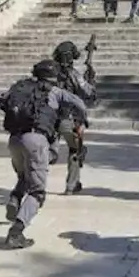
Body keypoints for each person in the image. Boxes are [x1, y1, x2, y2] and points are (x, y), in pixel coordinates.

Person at [0, 60, 89, 249]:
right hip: (36, 141)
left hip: (14, 141)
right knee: (37, 192)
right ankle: (15, 233)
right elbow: (79, 104)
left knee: (24, 176)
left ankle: (15, 198)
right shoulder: (56, 92)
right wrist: (82, 122)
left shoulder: (18, 89)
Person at [52, 41, 97, 195]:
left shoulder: (49, 73)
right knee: (75, 150)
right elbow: (89, 93)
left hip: (48, 119)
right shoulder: (74, 75)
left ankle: (51, 153)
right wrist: (91, 79)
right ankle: (71, 186)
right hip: (69, 119)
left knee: (46, 151)